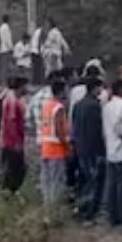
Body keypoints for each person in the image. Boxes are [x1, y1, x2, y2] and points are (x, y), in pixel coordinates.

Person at [71, 78, 106, 221]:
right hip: (91, 149)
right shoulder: (94, 106)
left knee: (84, 179)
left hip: (80, 147)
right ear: (95, 88)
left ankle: (80, 207)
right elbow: (95, 131)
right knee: (93, 180)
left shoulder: (78, 105)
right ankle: (88, 213)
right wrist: (101, 150)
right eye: (100, 88)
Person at [100, 78, 122, 227]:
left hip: (110, 149)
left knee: (111, 184)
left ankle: (111, 216)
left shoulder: (107, 106)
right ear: (120, 89)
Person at [39, 79, 71, 207]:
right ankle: (55, 209)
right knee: (56, 181)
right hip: (56, 150)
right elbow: (59, 131)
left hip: (45, 148)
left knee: (46, 181)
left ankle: (47, 207)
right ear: (61, 91)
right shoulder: (58, 107)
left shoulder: (47, 105)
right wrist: (67, 146)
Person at [0, 76, 28, 192]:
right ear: (20, 87)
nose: (27, 89)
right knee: (15, 171)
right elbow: (11, 123)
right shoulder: (13, 101)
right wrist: (16, 142)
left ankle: (9, 194)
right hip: (12, 143)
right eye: (25, 86)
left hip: (9, 142)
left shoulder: (11, 99)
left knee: (13, 170)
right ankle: (10, 194)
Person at [0, 15, 13, 83]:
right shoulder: (6, 28)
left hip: (1, 48)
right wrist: (11, 48)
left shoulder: (0, 28)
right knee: (6, 67)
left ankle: (2, 81)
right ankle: (4, 82)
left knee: (2, 67)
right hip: (6, 49)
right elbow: (7, 39)